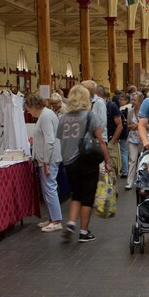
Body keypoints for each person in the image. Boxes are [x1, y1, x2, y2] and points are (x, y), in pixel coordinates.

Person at [56, 84, 112, 243]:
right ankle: (84, 231)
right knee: (87, 195)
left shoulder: (63, 118)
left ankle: (71, 223)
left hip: (69, 161)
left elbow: (61, 141)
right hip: (87, 159)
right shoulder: (89, 116)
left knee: (76, 193)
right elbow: (101, 140)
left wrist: (64, 162)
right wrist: (107, 161)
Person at [25, 93, 64, 233]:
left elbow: (50, 140)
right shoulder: (46, 114)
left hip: (49, 159)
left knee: (50, 188)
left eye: (28, 108)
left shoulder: (45, 116)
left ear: (33, 106)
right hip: (48, 158)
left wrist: (46, 161)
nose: (28, 112)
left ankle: (57, 221)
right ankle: (53, 218)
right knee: (48, 189)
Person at [124, 92, 143, 190]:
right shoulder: (130, 111)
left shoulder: (145, 111)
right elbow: (127, 125)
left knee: (143, 161)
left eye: (134, 100)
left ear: (140, 101)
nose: (133, 101)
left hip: (143, 139)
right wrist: (132, 126)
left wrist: (139, 126)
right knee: (132, 160)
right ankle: (129, 182)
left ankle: (142, 181)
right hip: (133, 138)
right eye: (132, 99)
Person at [105, 90, 123, 178]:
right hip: (101, 143)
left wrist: (112, 142)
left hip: (110, 141)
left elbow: (120, 126)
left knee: (112, 168)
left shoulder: (111, 106)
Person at [118, 93, 132, 179]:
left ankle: (125, 171)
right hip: (132, 133)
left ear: (126, 100)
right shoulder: (132, 108)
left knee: (124, 151)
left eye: (121, 99)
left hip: (124, 133)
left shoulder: (122, 109)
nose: (119, 101)